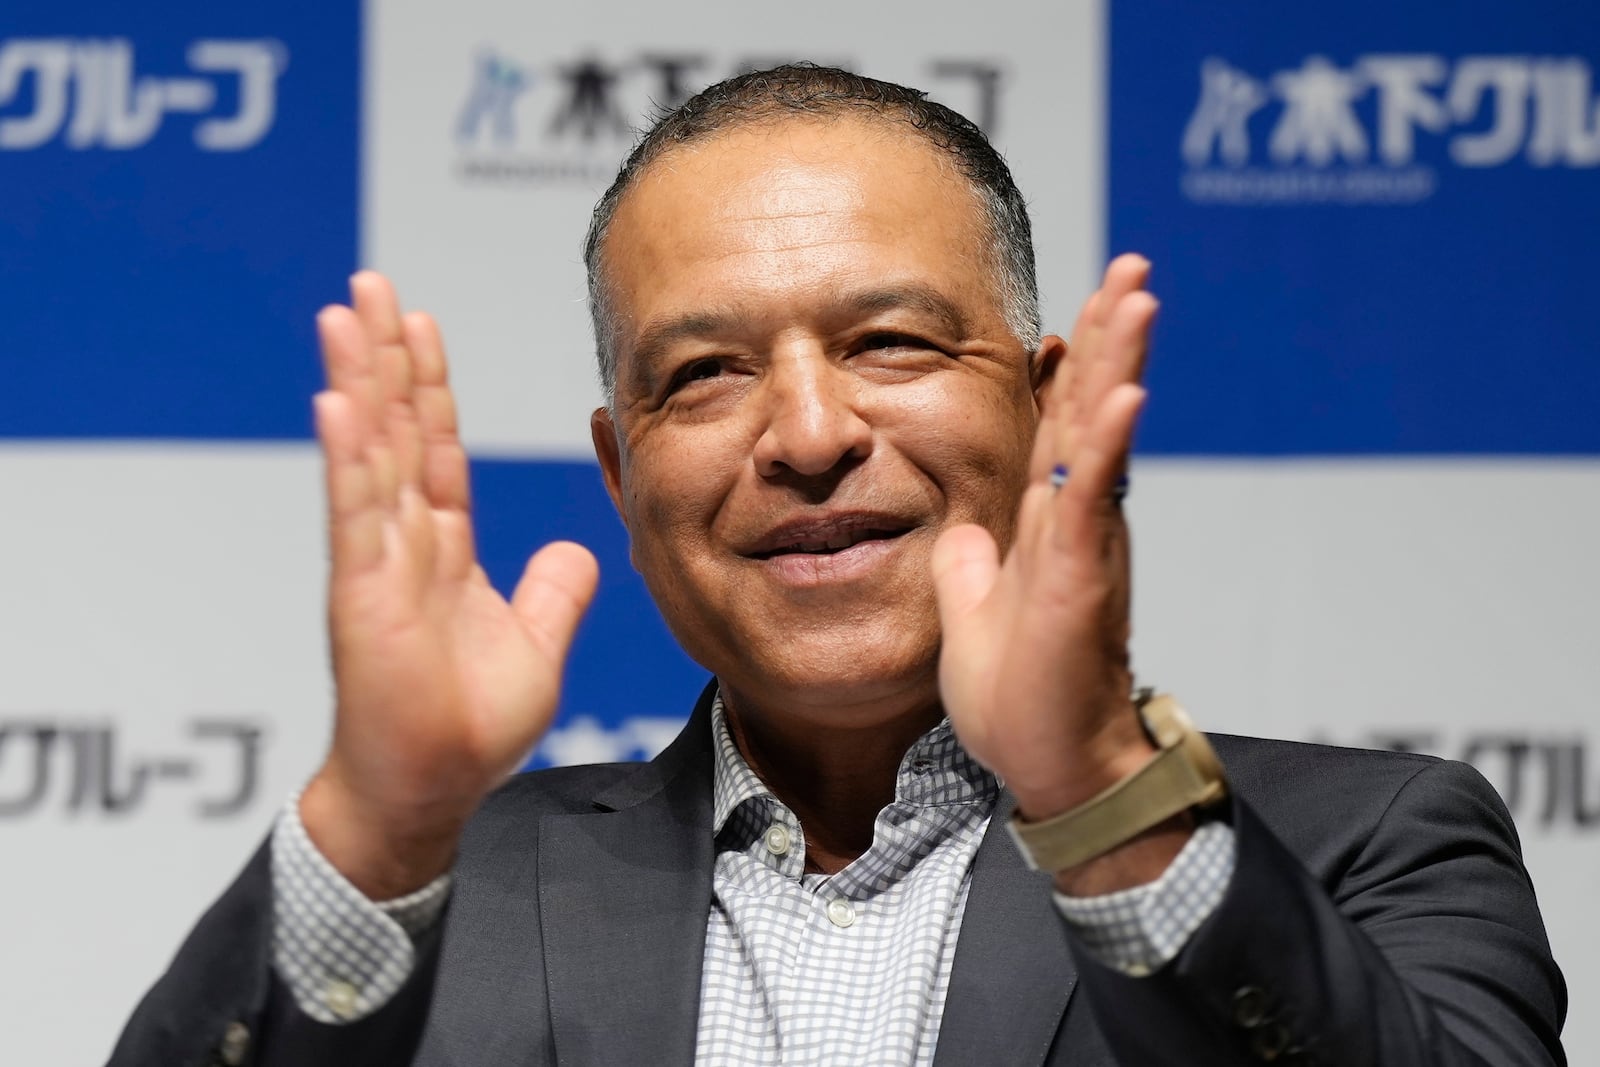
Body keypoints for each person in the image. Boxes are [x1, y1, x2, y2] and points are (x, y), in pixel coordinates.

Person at [108, 65, 1565, 1067]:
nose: (806, 434)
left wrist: (1102, 798)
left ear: (1042, 398)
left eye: (889, 343)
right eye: (705, 373)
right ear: (624, 476)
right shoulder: (433, 890)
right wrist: (379, 816)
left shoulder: (1370, 844)